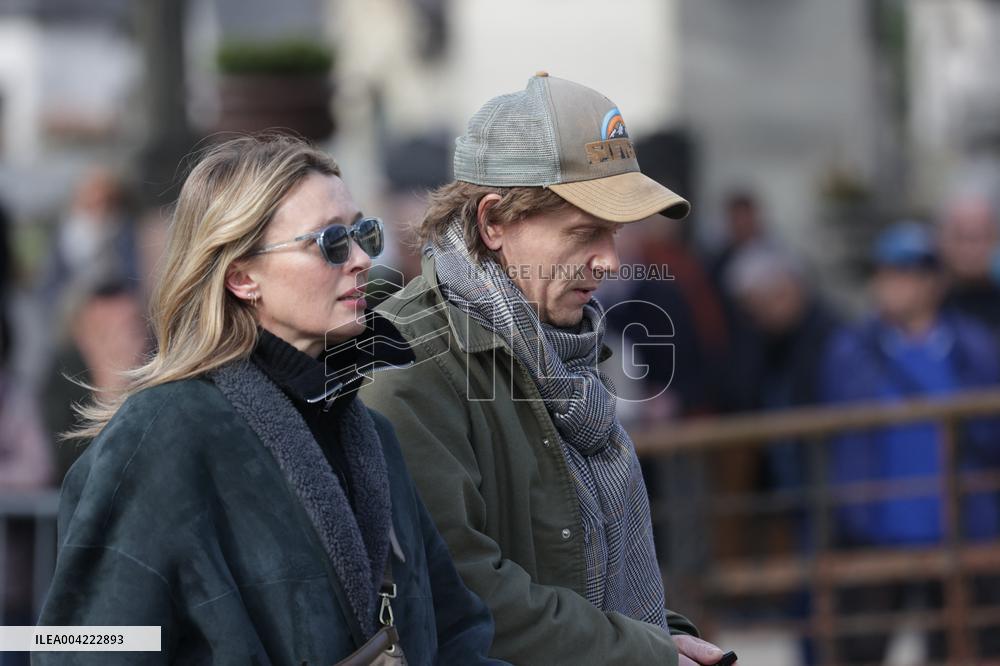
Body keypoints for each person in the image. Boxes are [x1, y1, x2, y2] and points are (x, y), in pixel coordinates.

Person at [37, 134, 503, 665]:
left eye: (363, 233)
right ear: (241, 276)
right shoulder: (161, 434)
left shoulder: (373, 437)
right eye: (330, 242)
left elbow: (458, 634)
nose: (360, 259)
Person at [361, 74, 730, 665]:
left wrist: (665, 636)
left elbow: (588, 566)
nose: (609, 261)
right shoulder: (408, 363)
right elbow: (462, 594)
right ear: (493, 223)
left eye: (615, 233)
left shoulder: (558, 343)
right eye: (585, 232)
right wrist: (644, 653)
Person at [822, 222, 1000, 662]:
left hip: (961, 527)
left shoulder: (974, 346)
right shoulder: (852, 348)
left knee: (963, 647)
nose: (893, 284)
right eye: (886, 272)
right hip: (875, 528)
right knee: (860, 648)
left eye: (907, 272)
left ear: (934, 282)